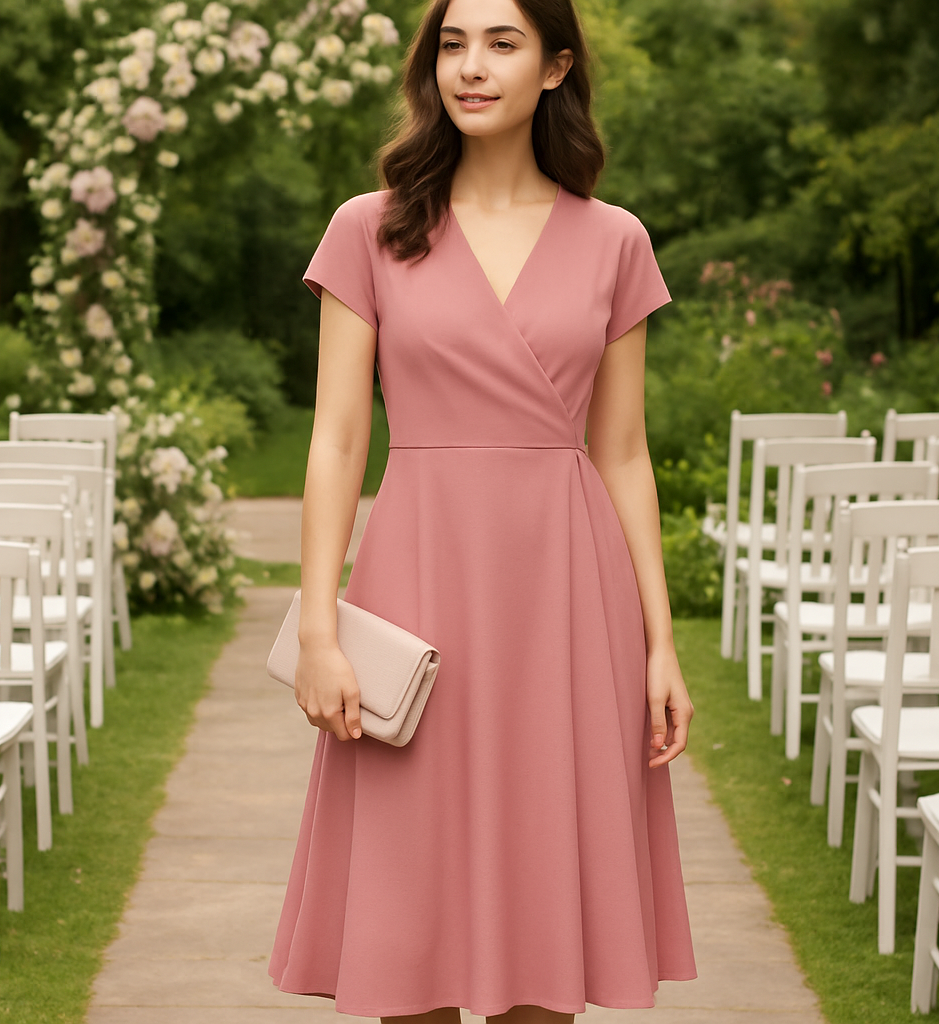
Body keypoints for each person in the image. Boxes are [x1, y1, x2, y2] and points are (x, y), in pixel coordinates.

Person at [268, 0, 697, 1020]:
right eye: (452, 44)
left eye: (501, 43)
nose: (471, 66)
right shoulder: (367, 227)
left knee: (546, 946)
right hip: (416, 583)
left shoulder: (614, 240)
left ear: (554, 67)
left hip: (565, 598)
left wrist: (661, 643)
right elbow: (335, 443)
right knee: (406, 944)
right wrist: (320, 625)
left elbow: (624, 453)